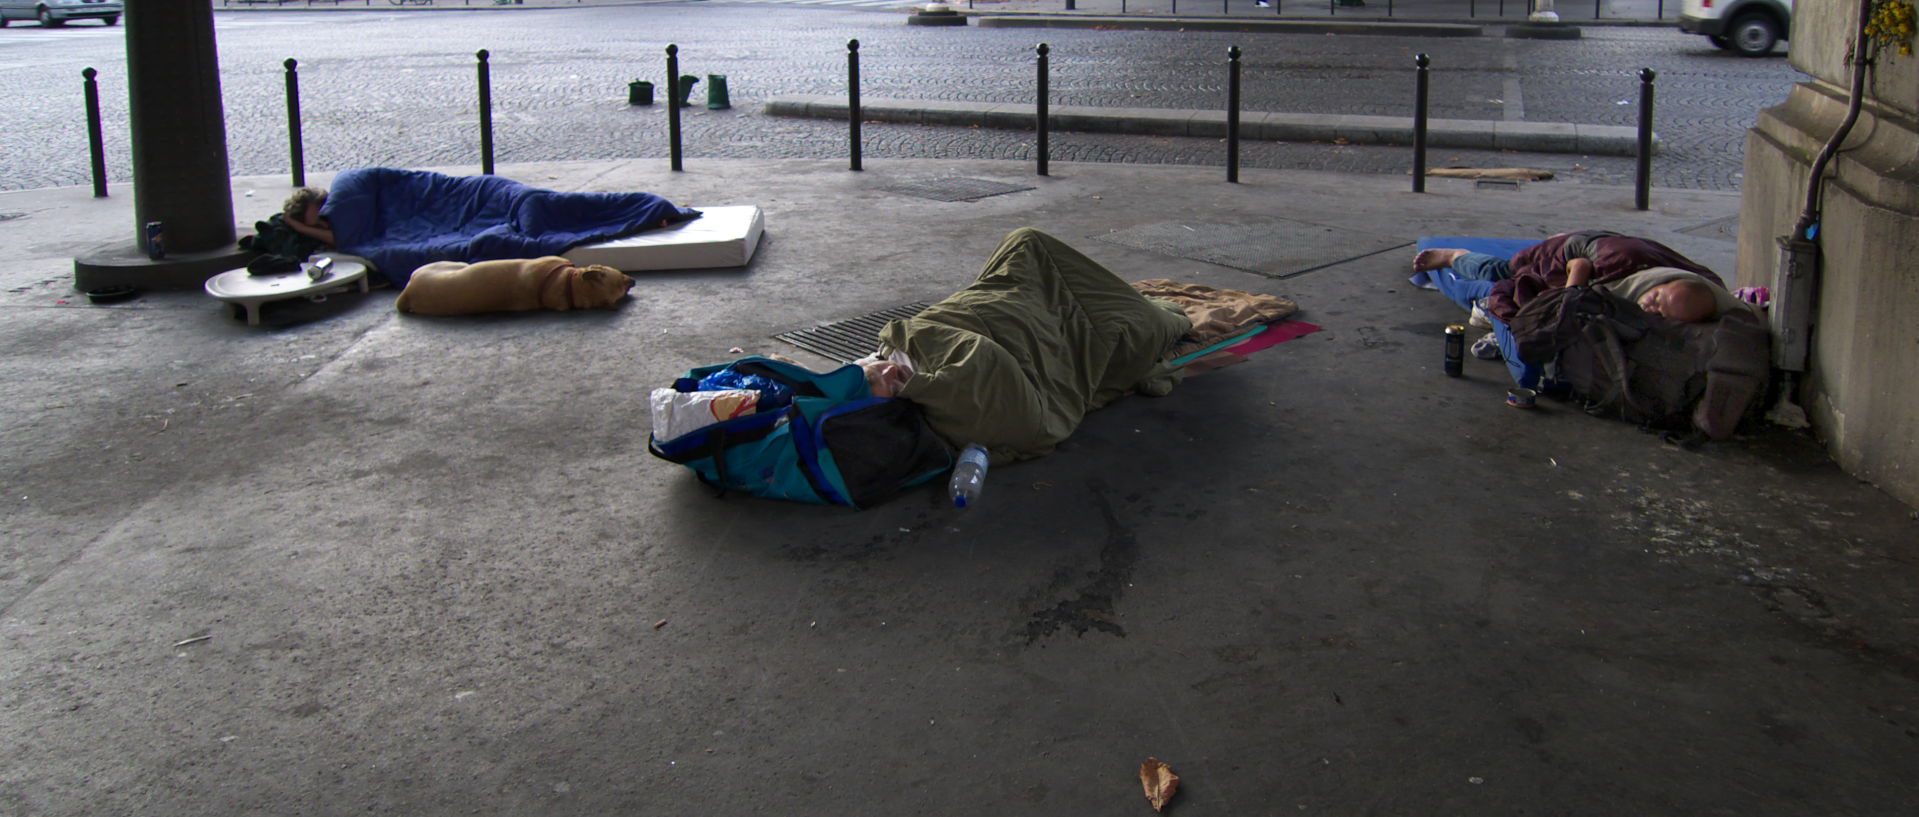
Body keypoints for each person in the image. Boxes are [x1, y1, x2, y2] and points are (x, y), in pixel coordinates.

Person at [1414, 232, 1741, 389]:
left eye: (1663, 313)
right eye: (1656, 299)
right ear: (1654, 286)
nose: (1651, 308)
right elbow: (1579, 265)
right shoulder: (1619, 273)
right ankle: (1454, 255)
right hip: (1583, 252)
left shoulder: (1708, 289)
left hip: (1635, 254)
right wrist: (1571, 294)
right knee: (1509, 274)